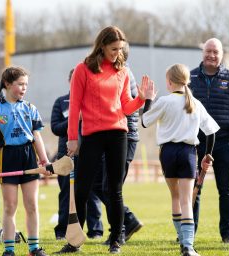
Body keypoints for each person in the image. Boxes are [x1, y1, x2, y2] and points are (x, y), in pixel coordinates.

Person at [57, 25, 154, 254]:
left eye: (120, 49)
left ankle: (115, 240)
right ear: (101, 46)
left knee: (114, 190)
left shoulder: (122, 71)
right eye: (113, 49)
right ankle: (74, 242)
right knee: (81, 190)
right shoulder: (82, 69)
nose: (117, 53)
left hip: (118, 134)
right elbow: (75, 108)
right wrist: (72, 139)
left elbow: (126, 106)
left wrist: (141, 99)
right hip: (91, 136)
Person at [141, 63, 219, 256]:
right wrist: (207, 154)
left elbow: (144, 121)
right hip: (188, 153)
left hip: (167, 153)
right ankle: (188, 246)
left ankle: (182, 240)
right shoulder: (195, 103)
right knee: (186, 200)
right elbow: (211, 132)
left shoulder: (164, 101)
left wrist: (148, 100)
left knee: (175, 197)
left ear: (169, 82)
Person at [0, 66, 50, 256]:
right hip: (7, 157)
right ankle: (9, 249)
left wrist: (44, 161)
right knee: (10, 206)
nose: (24, 88)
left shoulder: (30, 108)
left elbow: (37, 136)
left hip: (29, 156)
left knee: (32, 205)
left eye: (26, 85)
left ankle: (34, 248)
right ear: (7, 84)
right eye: (20, 84)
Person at [190, 38, 229, 244]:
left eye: (216, 52)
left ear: (222, 55)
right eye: (208, 51)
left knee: (227, 189)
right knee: (193, 189)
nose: (211, 55)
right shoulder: (190, 78)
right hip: (196, 142)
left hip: (224, 142)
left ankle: (228, 233)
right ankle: (190, 233)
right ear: (202, 52)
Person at [51, 69, 103, 241]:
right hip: (66, 155)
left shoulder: (94, 100)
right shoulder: (61, 102)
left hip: (90, 153)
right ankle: (62, 231)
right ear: (70, 82)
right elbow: (55, 128)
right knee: (67, 193)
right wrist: (74, 118)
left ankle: (95, 231)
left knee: (92, 193)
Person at [101, 42, 143, 245]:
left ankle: (123, 227)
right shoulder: (114, 72)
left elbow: (125, 106)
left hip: (125, 135)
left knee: (110, 187)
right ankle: (122, 225)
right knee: (102, 185)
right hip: (115, 135)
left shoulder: (123, 73)